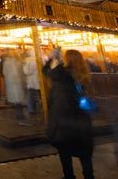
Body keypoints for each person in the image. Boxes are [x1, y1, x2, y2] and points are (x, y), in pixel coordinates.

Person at [43, 48, 94, 179]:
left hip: (64, 118)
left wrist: (52, 57)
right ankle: (89, 176)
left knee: (64, 150)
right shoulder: (83, 74)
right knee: (84, 153)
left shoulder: (61, 73)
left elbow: (46, 71)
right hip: (81, 119)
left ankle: (69, 175)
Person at [3, 48, 26, 121]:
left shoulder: (6, 62)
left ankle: (19, 115)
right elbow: (22, 72)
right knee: (18, 100)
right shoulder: (17, 62)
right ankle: (20, 116)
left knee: (17, 100)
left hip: (12, 83)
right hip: (17, 83)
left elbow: (4, 73)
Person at [22, 49, 41, 119]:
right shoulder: (37, 60)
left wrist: (24, 66)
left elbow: (27, 72)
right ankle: (38, 109)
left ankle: (32, 110)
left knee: (31, 96)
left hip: (31, 82)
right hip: (37, 81)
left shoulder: (29, 61)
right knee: (36, 95)